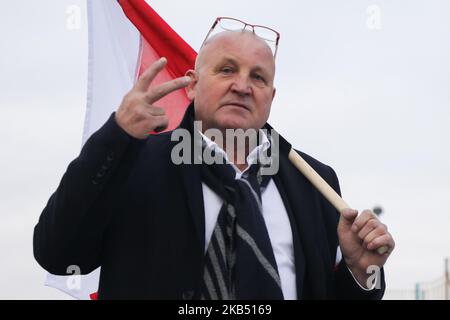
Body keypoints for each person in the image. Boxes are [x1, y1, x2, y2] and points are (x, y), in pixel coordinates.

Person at [33, 18, 395, 300]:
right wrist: (116, 135)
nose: (242, 86)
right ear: (191, 84)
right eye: (226, 70)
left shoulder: (315, 181)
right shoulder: (134, 160)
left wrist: (359, 273)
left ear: (271, 96)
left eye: (258, 77)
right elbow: (58, 254)